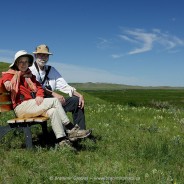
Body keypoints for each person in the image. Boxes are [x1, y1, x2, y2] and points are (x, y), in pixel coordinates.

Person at [1, 50, 91, 148]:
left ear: (28, 63)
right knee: (55, 101)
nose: (23, 64)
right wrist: (7, 83)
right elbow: (5, 80)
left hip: (31, 106)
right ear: (16, 63)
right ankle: (71, 128)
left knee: (53, 111)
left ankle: (62, 140)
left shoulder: (29, 76)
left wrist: (39, 95)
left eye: (26, 62)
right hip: (21, 107)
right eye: (21, 62)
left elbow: (39, 87)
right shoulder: (11, 74)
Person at [30, 44, 88, 130]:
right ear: (35, 56)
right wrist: (54, 94)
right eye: (40, 55)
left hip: (52, 100)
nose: (43, 57)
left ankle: (81, 131)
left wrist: (79, 95)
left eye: (46, 55)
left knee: (76, 101)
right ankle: (68, 132)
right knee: (58, 104)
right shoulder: (31, 70)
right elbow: (36, 87)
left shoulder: (51, 70)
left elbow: (63, 85)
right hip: (39, 102)